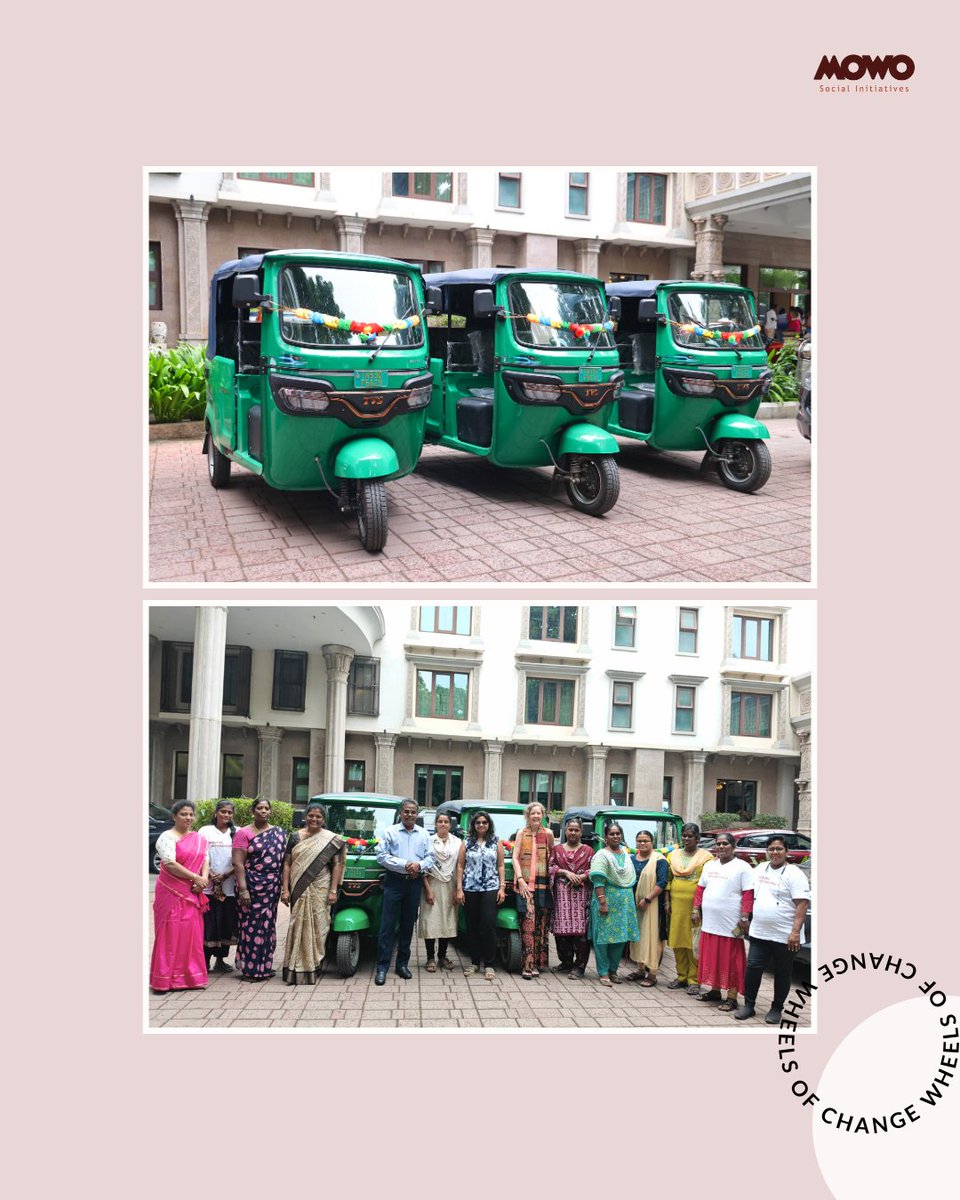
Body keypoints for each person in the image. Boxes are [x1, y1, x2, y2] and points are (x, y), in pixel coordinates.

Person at [735, 835, 810, 1022]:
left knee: (782, 972)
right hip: (759, 932)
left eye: (779, 849)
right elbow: (746, 891)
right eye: (771, 849)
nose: (775, 852)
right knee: (753, 968)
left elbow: (802, 904)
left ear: (786, 851)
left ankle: (776, 1008)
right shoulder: (760, 869)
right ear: (767, 851)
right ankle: (749, 1005)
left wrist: (795, 932)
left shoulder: (795, 874)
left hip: (785, 936)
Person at [280, 802, 345, 985]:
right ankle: (294, 967)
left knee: (319, 926)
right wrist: (285, 889)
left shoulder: (331, 839)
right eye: (311, 816)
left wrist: (333, 890)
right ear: (305, 817)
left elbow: (337, 865)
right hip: (299, 886)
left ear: (323, 820)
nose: (314, 819)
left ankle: (313, 964)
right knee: (297, 924)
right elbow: (287, 864)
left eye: (318, 816)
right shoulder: (295, 837)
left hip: (321, 887)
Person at [150, 801, 210, 993]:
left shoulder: (198, 838)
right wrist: (195, 878)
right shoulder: (166, 837)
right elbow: (170, 863)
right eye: (184, 814)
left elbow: (205, 858)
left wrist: (203, 880)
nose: (188, 818)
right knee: (169, 934)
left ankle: (191, 979)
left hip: (193, 892)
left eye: (191, 814)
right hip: (171, 893)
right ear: (174, 816)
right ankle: (164, 980)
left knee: (190, 935)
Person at [691, 832, 754, 1011]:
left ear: (733, 846)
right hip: (710, 922)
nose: (721, 847)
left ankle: (732, 997)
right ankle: (715, 991)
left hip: (730, 923)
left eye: (725, 843)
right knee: (713, 957)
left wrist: (744, 917)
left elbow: (748, 894)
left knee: (731, 960)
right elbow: (700, 889)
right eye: (718, 844)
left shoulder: (743, 867)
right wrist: (695, 909)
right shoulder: (710, 865)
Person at [374, 799, 435, 985]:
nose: (410, 815)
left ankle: (402, 965)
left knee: (408, 925)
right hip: (394, 882)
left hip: (414, 883)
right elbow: (381, 856)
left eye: (413, 812)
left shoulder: (424, 834)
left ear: (417, 814)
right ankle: (382, 967)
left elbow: (430, 857)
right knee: (388, 925)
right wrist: (405, 864)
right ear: (400, 813)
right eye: (406, 811)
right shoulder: (390, 832)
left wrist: (419, 865)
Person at [232, 798, 287, 982]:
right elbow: (238, 863)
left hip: (271, 887)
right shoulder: (243, 833)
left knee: (267, 926)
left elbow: (283, 862)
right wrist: (243, 890)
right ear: (252, 811)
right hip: (251, 886)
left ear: (270, 811)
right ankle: (250, 969)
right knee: (251, 927)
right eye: (259, 808)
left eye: (266, 808)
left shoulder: (278, 833)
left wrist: (284, 887)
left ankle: (264, 966)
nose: (263, 811)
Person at [455, 811, 505, 981]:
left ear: (489, 824)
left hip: (490, 888)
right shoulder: (467, 842)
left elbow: (500, 865)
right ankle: (475, 962)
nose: (481, 825)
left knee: (489, 925)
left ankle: (489, 964)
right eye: (478, 823)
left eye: (484, 822)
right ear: (473, 825)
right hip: (470, 888)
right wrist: (459, 889)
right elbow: (460, 866)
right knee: (472, 926)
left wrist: (502, 887)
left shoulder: (496, 841)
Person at [665, 823, 713, 995]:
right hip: (676, 905)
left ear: (697, 838)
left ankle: (694, 980)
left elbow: (708, 883)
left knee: (693, 943)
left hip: (695, 907)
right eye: (684, 835)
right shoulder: (673, 855)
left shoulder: (706, 858)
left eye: (690, 836)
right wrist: (667, 902)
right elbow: (668, 880)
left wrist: (699, 908)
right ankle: (681, 976)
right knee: (678, 941)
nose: (686, 839)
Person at [588, 822, 638, 987]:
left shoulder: (626, 853)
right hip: (606, 901)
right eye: (612, 834)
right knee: (603, 938)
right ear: (606, 837)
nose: (615, 836)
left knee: (620, 938)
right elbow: (598, 880)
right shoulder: (602, 855)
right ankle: (603, 972)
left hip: (624, 904)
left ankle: (613, 971)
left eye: (618, 833)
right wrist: (602, 902)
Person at [513, 801, 556, 980]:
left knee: (541, 926)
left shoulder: (549, 834)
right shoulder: (521, 833)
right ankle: (527, 965)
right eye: (533, 813)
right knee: (528, 924)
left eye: (539, 813)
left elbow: (552, 857)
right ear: (527, 816)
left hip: (543, 886)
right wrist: (520, 879)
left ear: (543, 815)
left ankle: (538, 963)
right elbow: (515, 858)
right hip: (525, 886)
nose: (536, 816)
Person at [549, 817, 594, 978]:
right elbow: (550, 867)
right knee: (561, 931)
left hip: (581, 897)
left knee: (581, 933)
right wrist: (565, 872)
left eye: (576, 830)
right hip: (562, 897)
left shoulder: (588, 851)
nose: (573, 832)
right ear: (565, 831)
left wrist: (581, 877)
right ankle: (566, 962)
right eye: (570, 829)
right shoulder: (557, 849)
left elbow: (595, 869)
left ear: (581, 832)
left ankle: (579, 967)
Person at [197, 800, 237, 974]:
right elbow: (200, 855)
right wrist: (211, 874)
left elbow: (242, 859)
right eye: (223, 811)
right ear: (216, 813)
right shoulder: (205, 831)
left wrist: (226, 875)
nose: (226, 815)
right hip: (208, 887)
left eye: (229, 812)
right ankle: (204, 961)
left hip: (229, 888)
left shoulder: (237, 832)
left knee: (225, 925)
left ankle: (220, 961)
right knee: (209, 925)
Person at [420, 810, 461, 972]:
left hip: (451, 885)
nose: (443, 824)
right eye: (440, 821)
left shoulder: (458, 842)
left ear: (450, 825)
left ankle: (442, 956)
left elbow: (460, 866)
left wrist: (457, 889)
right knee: (430, 921)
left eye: (446, 821)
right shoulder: (428, 841)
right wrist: (428, 890)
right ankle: (430, 958)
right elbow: (423, 866)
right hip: (431, 884)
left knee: (446, 921)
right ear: (435, 824)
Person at [626, 830, 668, 987]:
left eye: (646, 841)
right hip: (635, 904)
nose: (642, 843)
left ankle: (652, 974)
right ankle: (640, 969)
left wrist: (648, 899)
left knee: (652, 937)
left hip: (653, 905)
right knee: (638, 936)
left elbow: (662, 882)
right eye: (639, 841)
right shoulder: (631, 859)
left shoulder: (659, 860)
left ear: (652, 842)